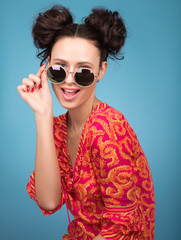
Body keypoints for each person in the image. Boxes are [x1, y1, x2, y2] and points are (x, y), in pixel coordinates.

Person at [17, 4, 155, 240]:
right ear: (47, 66)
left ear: (101, 71)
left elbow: (120, 228)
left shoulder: (109, 129)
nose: (69, 82)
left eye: (83, 71)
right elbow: (49, 201)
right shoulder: (60, 126)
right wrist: (42, 115)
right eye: (59, 69)